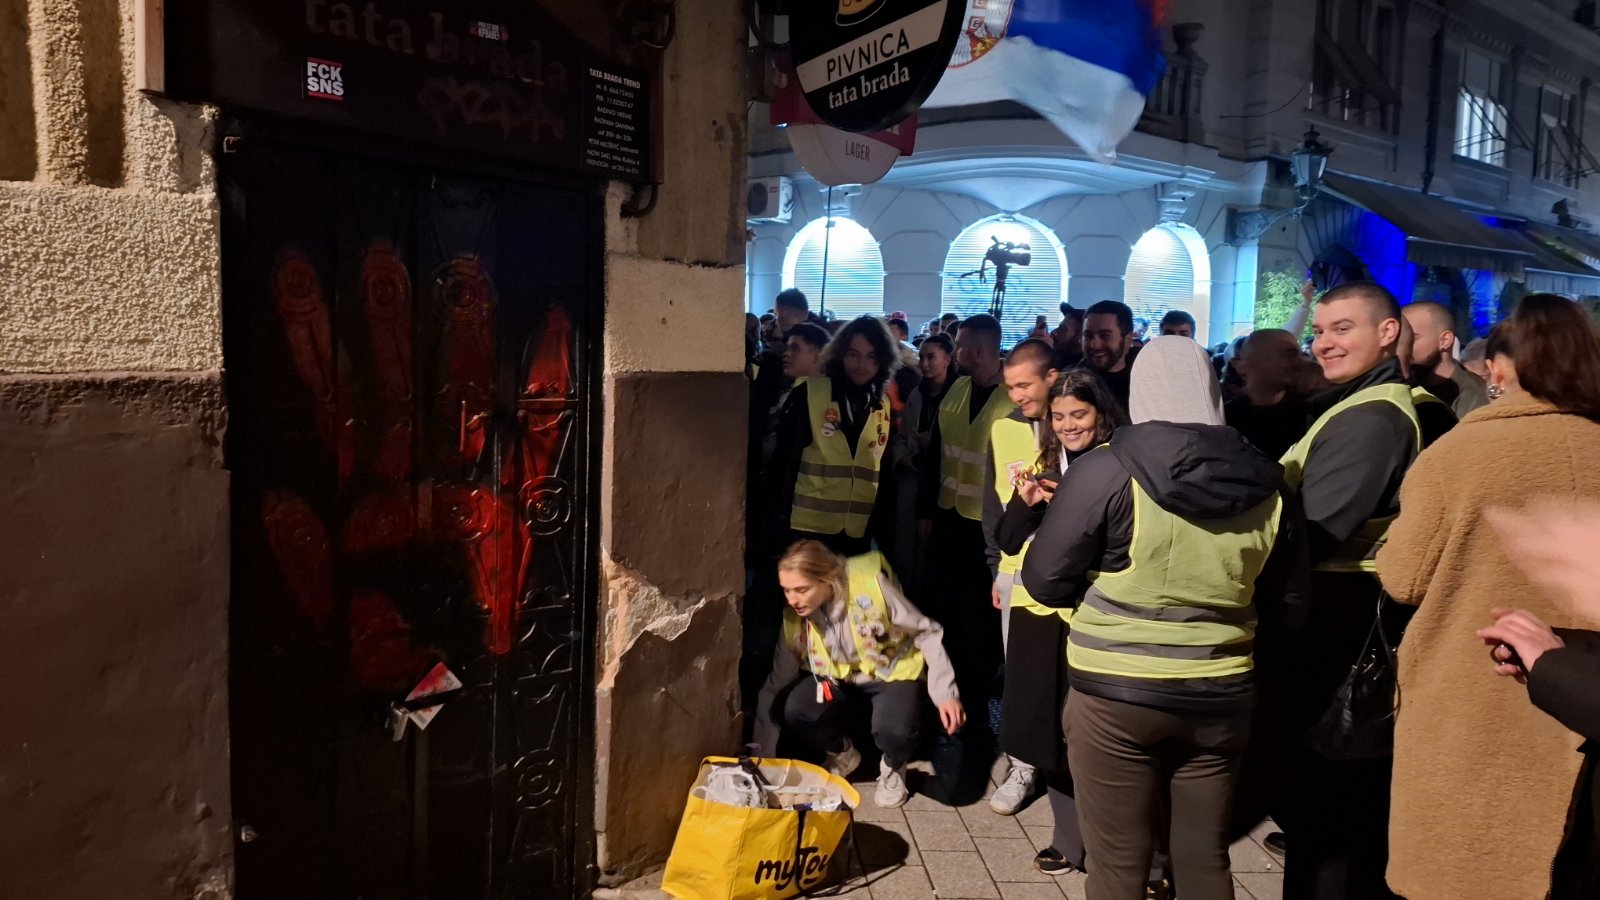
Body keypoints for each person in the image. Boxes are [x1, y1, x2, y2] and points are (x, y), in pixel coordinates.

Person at [1022, 337, 1286, 900]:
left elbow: (1043, 578)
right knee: (1204, 857)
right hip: (1221, 693)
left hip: (1115, 695)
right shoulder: (1269, 481)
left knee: (1119, 865)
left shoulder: (1105, 470)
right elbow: (1292, 597)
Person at [1374, 293, 1600, 900]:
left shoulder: (1457, 455)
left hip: (1469, 699)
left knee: (1459, 869)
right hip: (1586, 713)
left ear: (1497, 370)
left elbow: (1404, 578)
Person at [1273, 282, 1453, 900]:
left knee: (1331, 824)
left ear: (1387, 332)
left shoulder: (1372, 417)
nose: (1323, 343)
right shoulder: (1360, 403)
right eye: (1319, 331)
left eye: (1341, 329)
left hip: (1340, 637)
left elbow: (1315, 534)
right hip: (1341, 629)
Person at [993, 368, 1128, 877]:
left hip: (1094, 621)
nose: (1069, 425)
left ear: (1102, 415)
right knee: (1045, 732)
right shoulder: (1045, 465)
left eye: (1080, 414)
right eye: (1060, 416)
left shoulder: (1117, 467)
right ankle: (1067, 841)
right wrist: (1026, 507)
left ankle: (1118, 844)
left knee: (1095, 738)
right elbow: (1007, 540)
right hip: (1036, 616)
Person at [753, 541, 966, 808]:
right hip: (840, 681)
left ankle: (893, 764)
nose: (792, 599)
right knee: (795, 706)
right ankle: (844, 754)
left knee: (895, 730)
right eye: (786, 590)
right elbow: (775, 685)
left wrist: (945, 692)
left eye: (801, 590)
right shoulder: (796, 620)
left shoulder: (872, 588)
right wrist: (763, 761)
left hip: (890, 673)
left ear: (828, 580)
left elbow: (927, 631)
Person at [919, 314, 1016, 729]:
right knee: (946, 610)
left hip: (989, 527)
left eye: (959, 346)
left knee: (982, 620)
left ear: (977, 350)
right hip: (948, 519)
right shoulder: (957, 389)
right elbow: (937, 453)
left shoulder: (1012, 399)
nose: (955, 353)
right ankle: (945, 689)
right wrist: (926, 510)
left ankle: (975, 701)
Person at [982, 340, 1060, 817]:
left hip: (1073, 573)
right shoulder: (1001, 428)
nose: (1016, 395)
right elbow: (994, 504)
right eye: (1010, 386)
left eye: (1024, 385)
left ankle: (1065, 767)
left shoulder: (1077, 420)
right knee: (1020, 674)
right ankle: (1023, 766)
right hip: (1017, 572)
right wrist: (995, 567)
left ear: (1052, 377)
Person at [768, 316, 898, 557]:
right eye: (853, 354)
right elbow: (784, 465)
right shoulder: (809, 393)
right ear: (840, 355)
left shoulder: (883, 406)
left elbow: (882, 476)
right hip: (807, 529)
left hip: (857, 534)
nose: (862, 364)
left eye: (871, 356)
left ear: (882, 359)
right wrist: (778, 527)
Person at [1225, 329, 1309, 460]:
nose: (1300, 362)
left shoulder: (1312, 413)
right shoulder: (1225, 418)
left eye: (1300, 354)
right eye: (1288, 355)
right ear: (1241, 365)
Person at [1403, 301, 1488, 419]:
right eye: (1401, 338)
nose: (1403, 346)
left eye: (1413, 337)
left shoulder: (1472, 395)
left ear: (1445, 341)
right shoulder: (1403, 382)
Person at [1082, 300, 1136, 408]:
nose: (1095, 345)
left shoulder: (1142, 384)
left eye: (1104, 336)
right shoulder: (1070, 382)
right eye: (1088, 336)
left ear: (1127, 339)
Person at [1053, 302, 1085, 370]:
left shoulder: (1082, 369)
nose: (1054, 332)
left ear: (1080, 336)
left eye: (1063, 329)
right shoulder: (1058, 357)